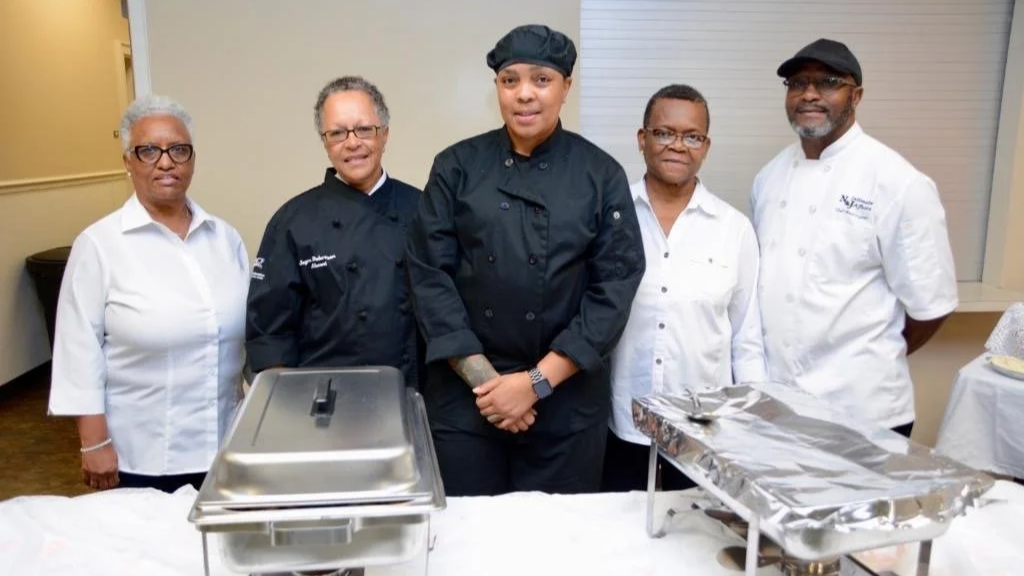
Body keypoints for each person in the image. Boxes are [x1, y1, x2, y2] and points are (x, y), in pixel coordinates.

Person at [406, 24, 645, 496]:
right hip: (468, 398)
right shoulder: (456, 166)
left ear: (566, 87)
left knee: (559, 534)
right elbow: (430, 277)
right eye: (510, 80)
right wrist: (491, 387)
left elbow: (614, 289)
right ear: (497, 87)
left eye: (541, 79)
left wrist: (534, 384)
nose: (524, 94)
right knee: (467, 534)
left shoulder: (600, 174)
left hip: (565, 402)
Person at [751, 39, 958, 437]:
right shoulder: (768, 178)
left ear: (856, 96)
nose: (809, 94)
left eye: (828, 82)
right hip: (777, 407)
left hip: (862, 412)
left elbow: (931, 307)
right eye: (798, 83)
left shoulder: (898, 182)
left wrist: (868, 360)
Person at [48, 95, 249, 492]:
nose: (166, 162)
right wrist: (94, 442)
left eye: (178, 150)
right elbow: (78, 351)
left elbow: (249, 336)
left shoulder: (224, 238)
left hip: (225, 446)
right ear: (128, 161)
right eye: (149, 151)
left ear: (192, 159)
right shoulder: (99, 245)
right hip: (144, 455)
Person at [603, 85, 766, 492]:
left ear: (705, 147)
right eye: (664, 133)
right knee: (619, 527)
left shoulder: (733, 229)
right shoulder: (609, 217)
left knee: (696, 529)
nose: (678, 146)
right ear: (642, 139)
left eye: (692, 136)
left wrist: (753, 429)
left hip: (705, 430)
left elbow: (746, 339)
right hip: (621, 423)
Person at [245, 76, 423, 387]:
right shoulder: (292, 222)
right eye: (337, 133)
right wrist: (292, 399)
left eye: (364, 129)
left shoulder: (423, 209)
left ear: (384, 134)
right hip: (324, 399)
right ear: (325, 142)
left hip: (412, 392)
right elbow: (269, 333)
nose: (352, 143)